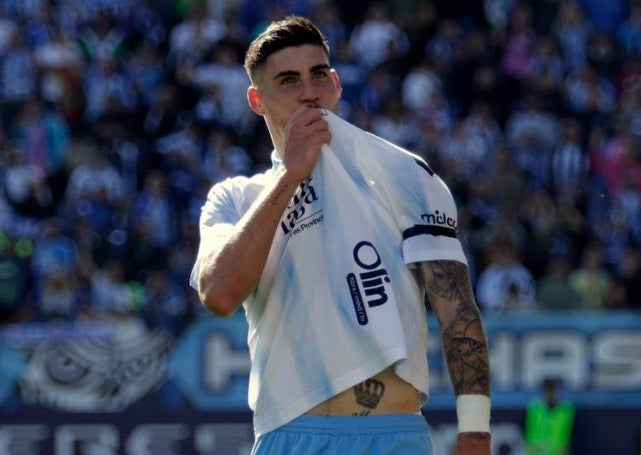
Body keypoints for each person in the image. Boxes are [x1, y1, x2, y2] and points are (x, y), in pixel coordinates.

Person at [190, 16, 491, 455]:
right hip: (287, 436)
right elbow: (219, 294)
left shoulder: (403, 173)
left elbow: (456, 308)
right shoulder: (235, 199)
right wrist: (291, 175)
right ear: (257, 100)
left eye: (318, 75)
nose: (309, 92)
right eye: (288, 80)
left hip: (392, 436)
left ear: (336, 83)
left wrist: (476, 429)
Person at [524, 377, 575, 455]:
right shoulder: (534, 409)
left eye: (553, 390)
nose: (551, 394)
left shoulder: (566, 411)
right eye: (548, 390)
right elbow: (527, 432)